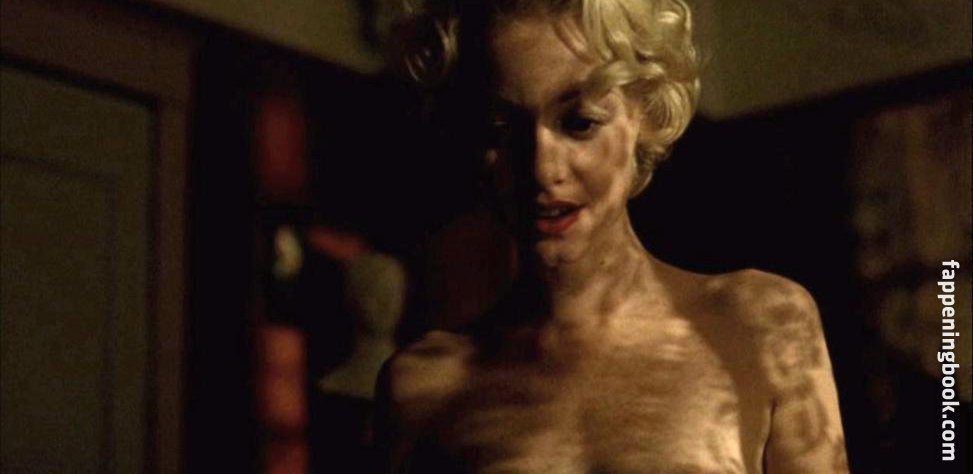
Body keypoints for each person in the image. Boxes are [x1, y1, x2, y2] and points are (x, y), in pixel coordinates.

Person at [376, 1, 849, 472]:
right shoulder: (423, 387)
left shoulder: (760, 325)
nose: (541, 169)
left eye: (579, 123)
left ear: (645, 113)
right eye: (500, 129)